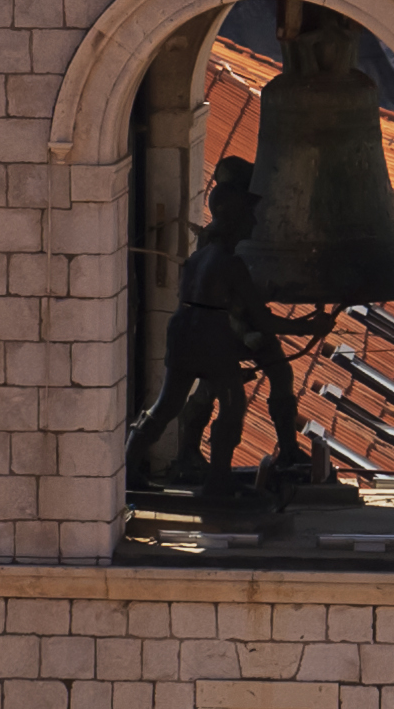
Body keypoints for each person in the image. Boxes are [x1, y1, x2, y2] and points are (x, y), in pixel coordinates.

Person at [131, 158, 320, 499]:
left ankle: (126, 469)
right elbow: (260, 318)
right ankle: (218, 481)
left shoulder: (200, 257)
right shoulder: (231, 264)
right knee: (232, 406)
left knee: (166, 405)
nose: (253, 222)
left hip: (184, 331)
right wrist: (305, 327)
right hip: (211, 337)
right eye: (248, 215)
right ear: (234, 219)